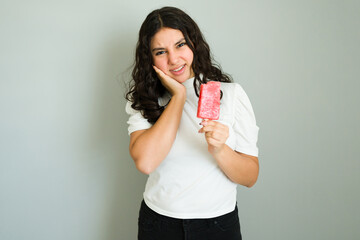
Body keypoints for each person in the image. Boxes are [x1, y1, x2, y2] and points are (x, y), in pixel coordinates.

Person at [125, 6, 259, 240]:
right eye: (160, 51)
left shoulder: (229, 94)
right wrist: (178, 96)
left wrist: (219, 149)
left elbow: (250, 177)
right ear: (150, 58)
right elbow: (146, 163)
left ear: (194, 43)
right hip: (159, 223)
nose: (174, 59)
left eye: (180, 45)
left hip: (218, 225)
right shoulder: (145, 98)